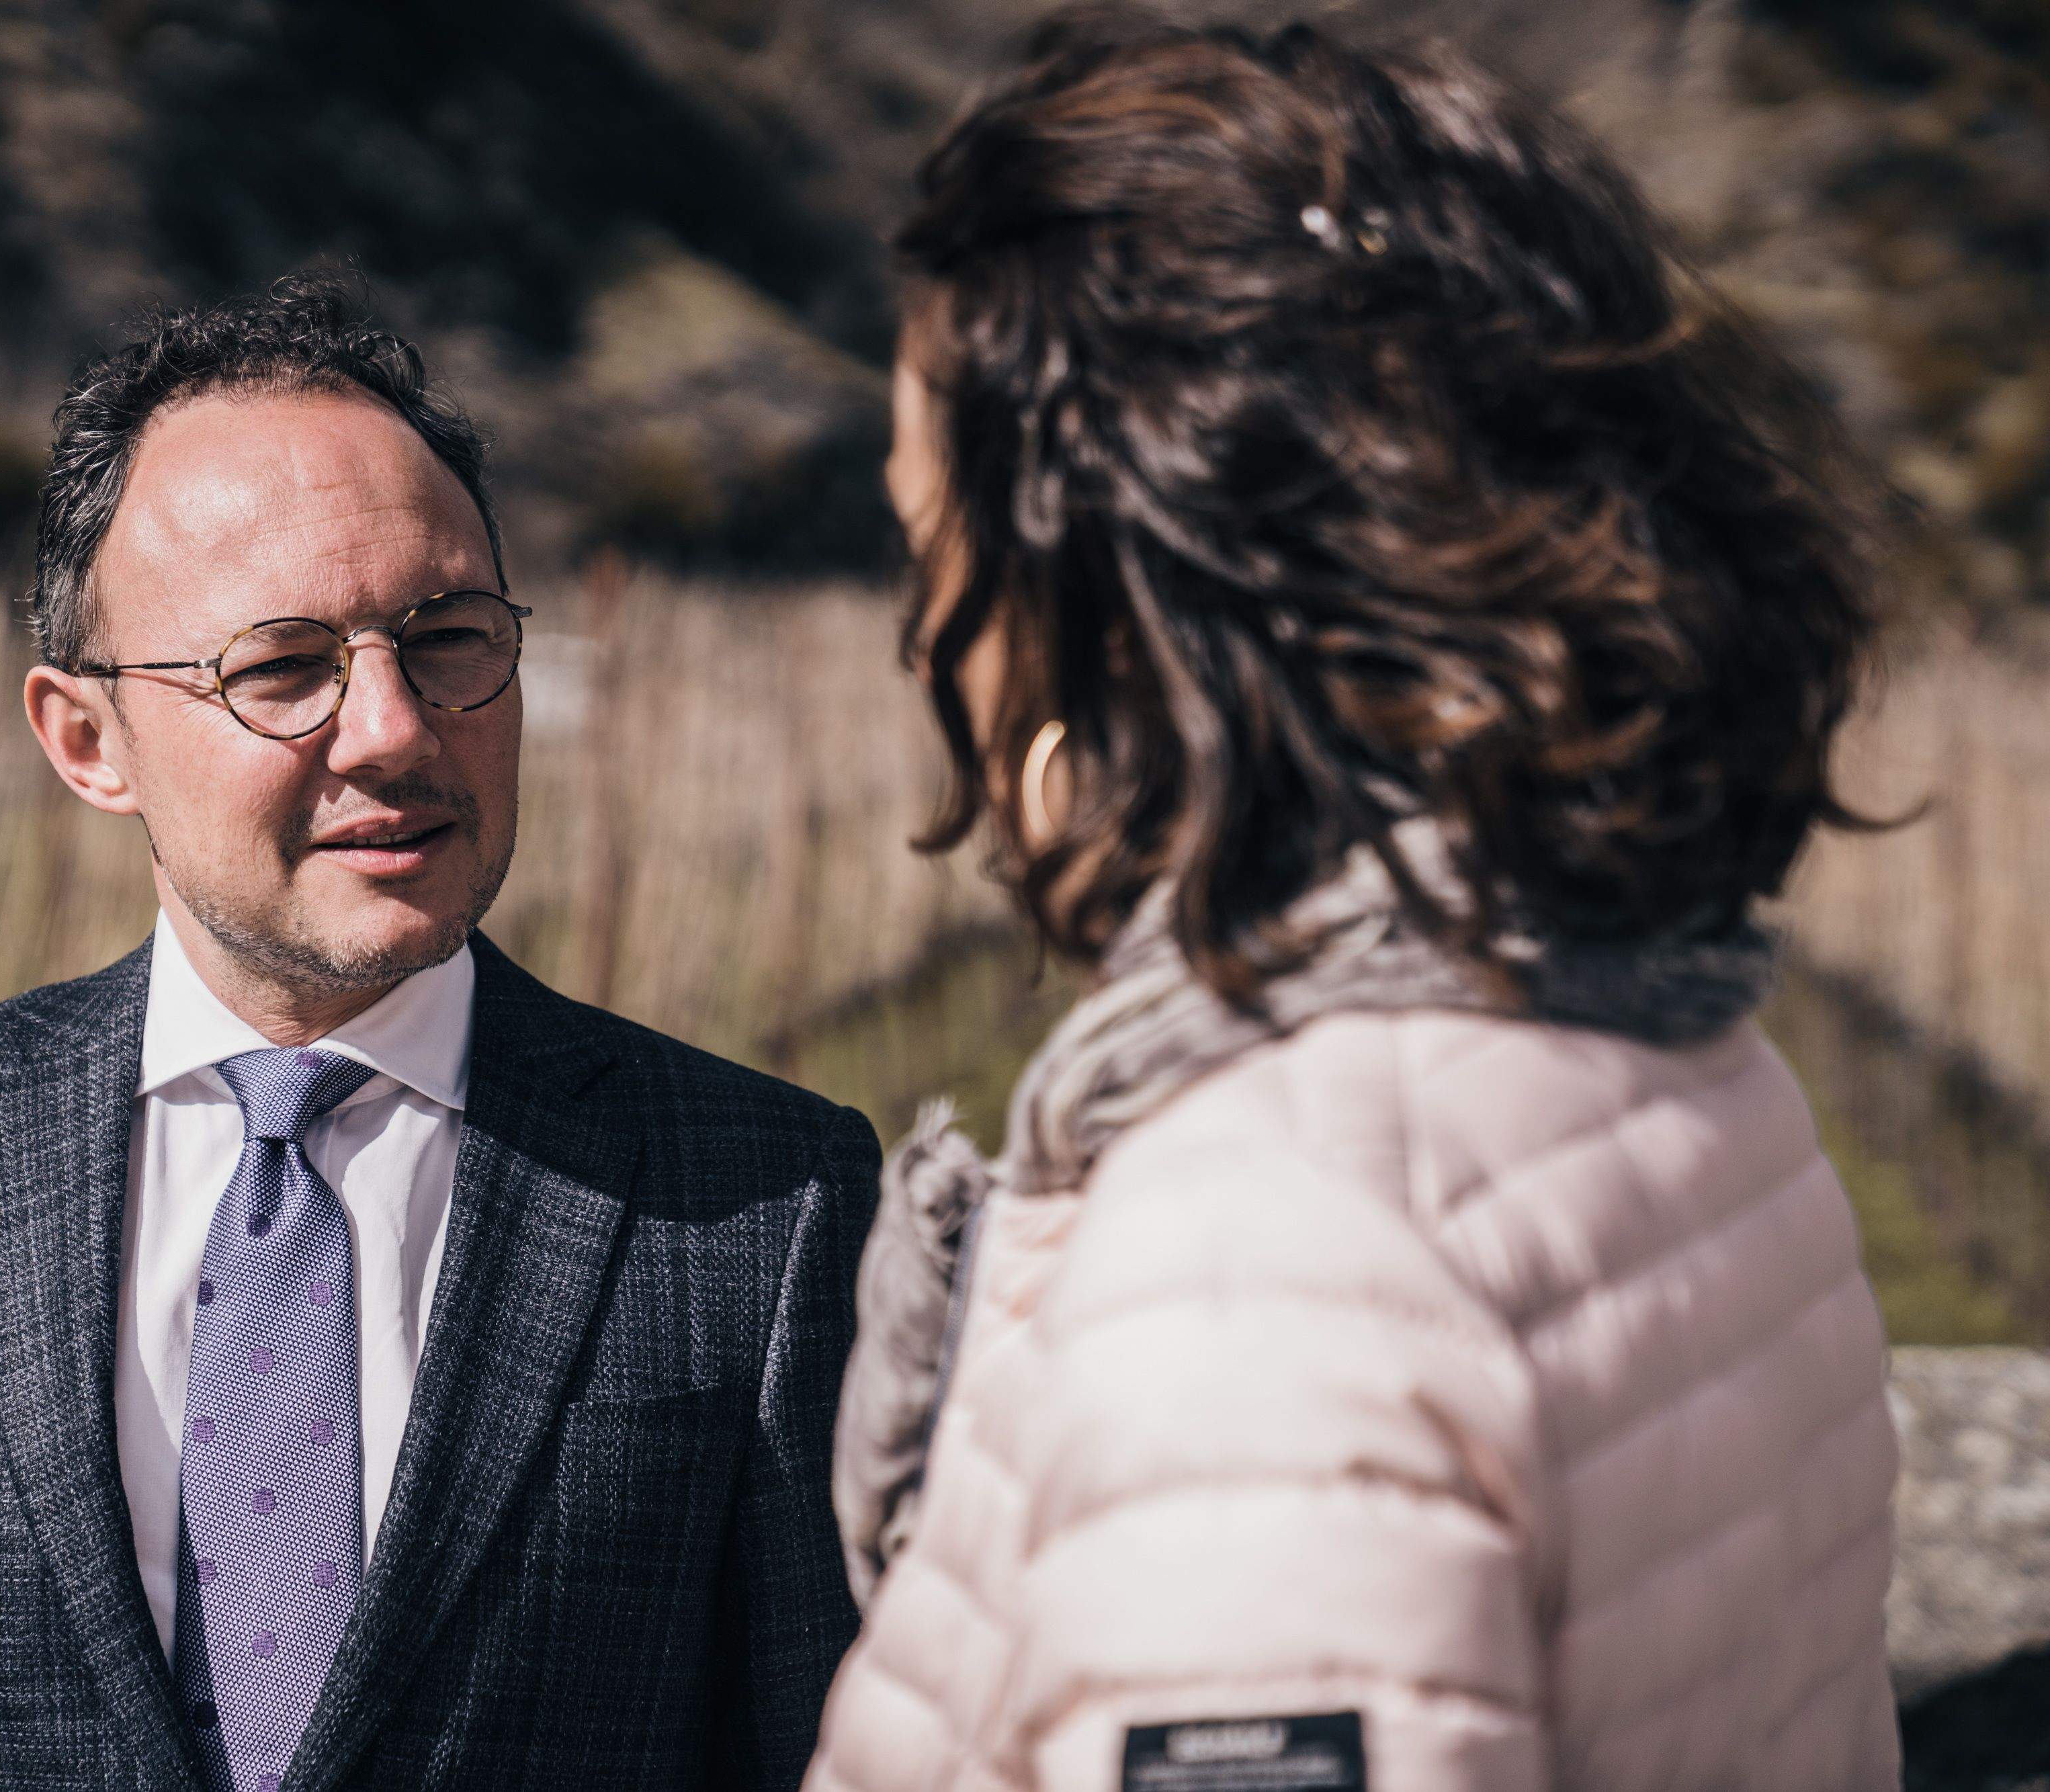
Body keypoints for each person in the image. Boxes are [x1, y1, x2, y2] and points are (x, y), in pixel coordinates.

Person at [810, 12, 1900, 1791]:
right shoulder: (1671, 1050)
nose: (929, 634)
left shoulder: (1270, 1259)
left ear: (1120, 586)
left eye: (938, 549)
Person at [0, 273, 881, 1791]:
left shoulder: (762, 1195)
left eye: (449, 637)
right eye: (282, 667)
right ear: (88, 741)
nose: (395, 729)